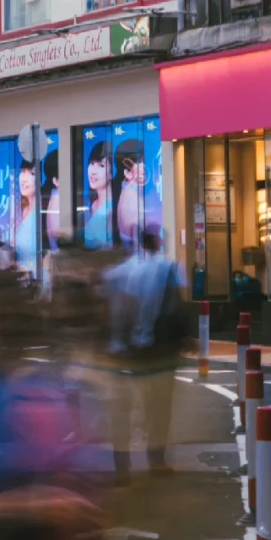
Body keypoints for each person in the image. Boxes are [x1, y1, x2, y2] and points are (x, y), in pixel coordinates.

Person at [104, 228, 184, 482]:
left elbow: (110, 309)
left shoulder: (119, 272)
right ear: (158, 242)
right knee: (158, 406)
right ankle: (156, 460)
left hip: (122, 350)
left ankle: (122, 466)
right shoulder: (169, 267)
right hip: (155, 349)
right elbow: (176, 306)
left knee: (121, 408)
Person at [84, 142, 112, 249]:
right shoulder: (92, 205)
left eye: (101, 165)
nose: (93, 171)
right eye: (91, 163)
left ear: (111, 173)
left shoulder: (111, 210)